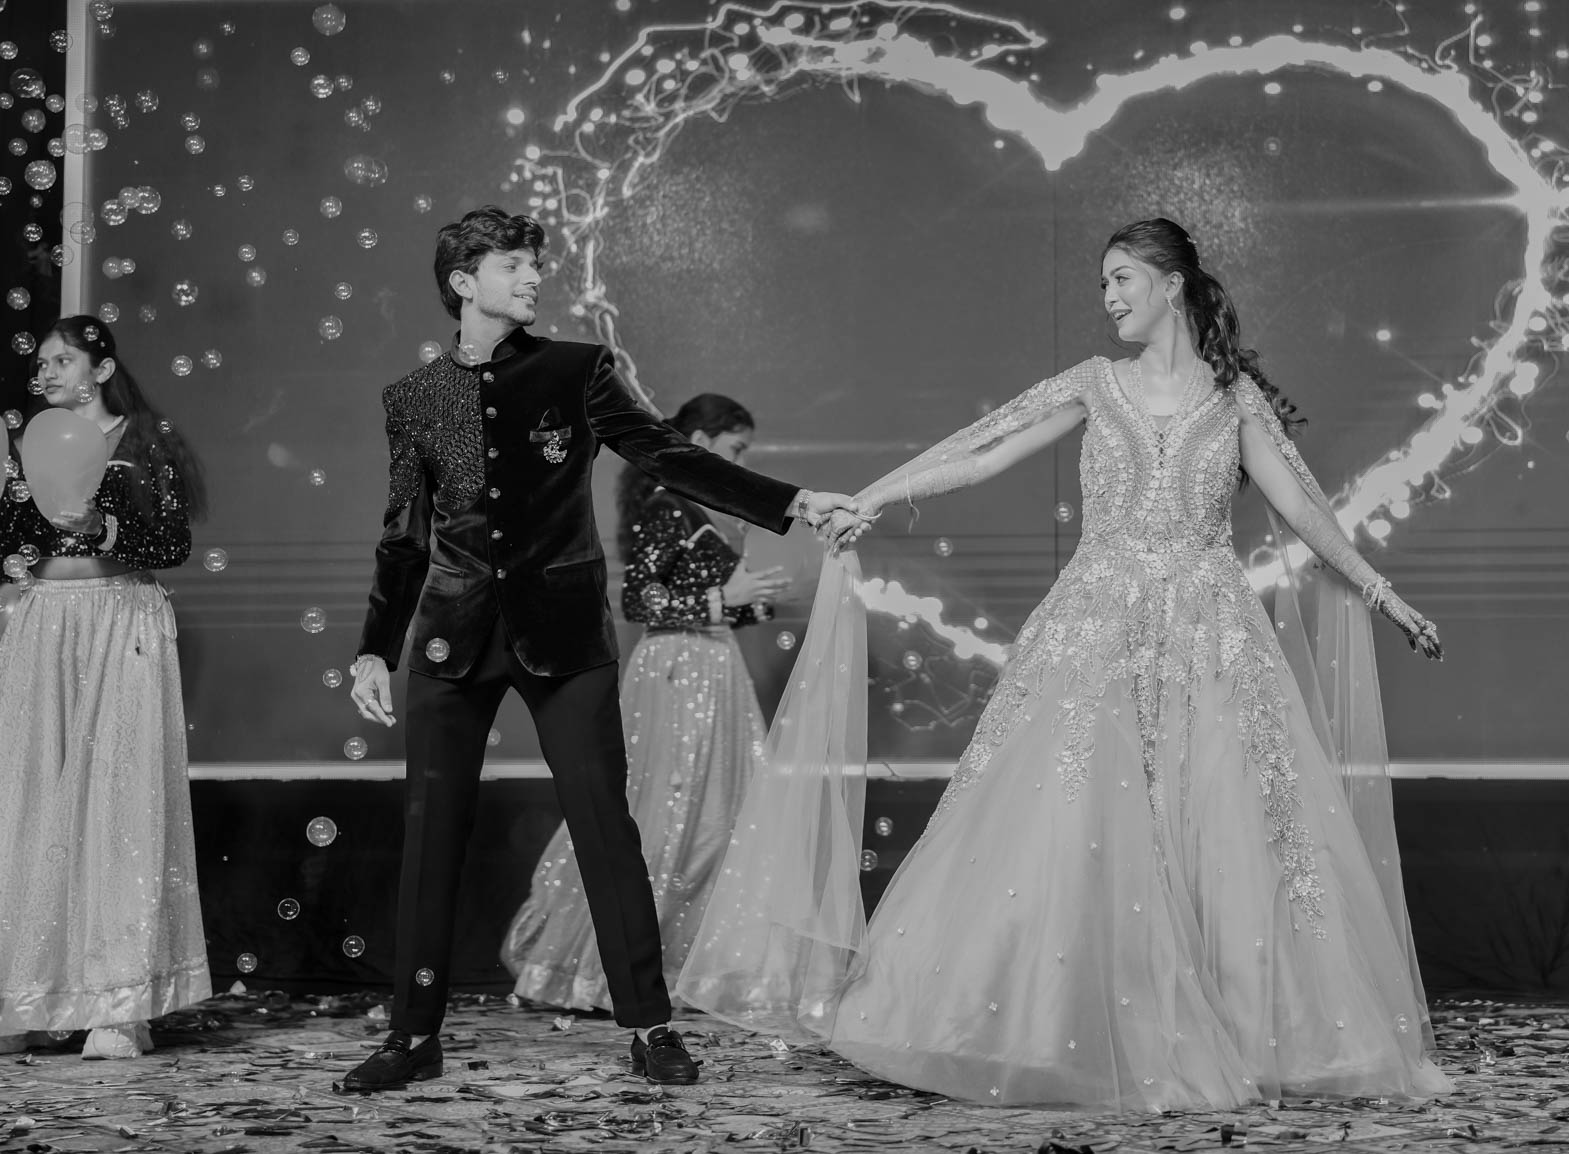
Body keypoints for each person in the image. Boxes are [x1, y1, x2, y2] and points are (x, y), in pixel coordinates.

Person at [678, 218, 1453, 1110]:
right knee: (1078, 819)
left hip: (1208, 639)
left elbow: (1303, 511)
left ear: (1172, 284)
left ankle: (1240, 1033)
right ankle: (1069, 1029)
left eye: (1122, 278)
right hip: (1097, 630)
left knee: (1225, 827)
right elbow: (981, 450)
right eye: (1102, 283)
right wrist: (873, 497)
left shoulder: (1233, 400)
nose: (1109, 297)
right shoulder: (1094, 384)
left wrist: (1381, 592)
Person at [341, 206, 855, 1092]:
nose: (533, 276)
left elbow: (666, 454)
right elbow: (403, 536)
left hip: (564, 635)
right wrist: (372, 650)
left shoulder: (576, 371)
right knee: (430, 836)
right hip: (450, 639)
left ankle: (651, 1027)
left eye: (533, 263)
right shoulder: (412, 399)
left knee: (605, 830)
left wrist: (791, 502)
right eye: (512, 264)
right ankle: (411, 1038)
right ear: (463, 283)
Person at [502, 394, 790, 1011]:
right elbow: (640, 600)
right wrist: (723, 599)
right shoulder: (668, 505)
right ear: (700, 441)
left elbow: (703, 598)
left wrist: (751, 599)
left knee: (717, 819)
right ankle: (614, 968)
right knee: (670, 814)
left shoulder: (700, 509)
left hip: (713, 666)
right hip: (680, 673)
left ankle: (685, 966)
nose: (741, 464)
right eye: (736, 450)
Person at [0, 316, 211, 1060]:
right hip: (43, 622)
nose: (47, 372)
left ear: (102, 368)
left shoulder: (142, 441)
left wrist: (102, 526)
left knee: (117, 801)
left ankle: (119, 1005)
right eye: (41, 362)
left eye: (63, 360)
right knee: (33, 794)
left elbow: (173, 543)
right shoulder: (30, 444)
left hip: (121, 618)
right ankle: (29, 996)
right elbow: (13, 544)